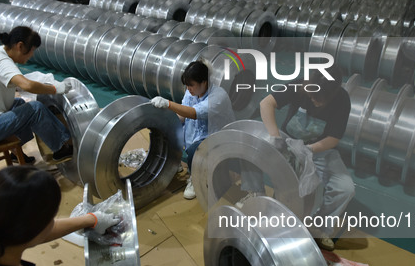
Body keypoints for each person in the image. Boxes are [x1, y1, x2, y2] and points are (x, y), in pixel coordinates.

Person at [241, 65, 355, 251]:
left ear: (333, 94)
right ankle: (256, 194)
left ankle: (318, 225)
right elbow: (266, 104)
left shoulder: (342, 100)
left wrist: (308, 150)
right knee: (249, 146)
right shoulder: (300, 85)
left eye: (319, 100)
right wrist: (275, 137)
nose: (314, 102)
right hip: (287, 142)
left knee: (345, 188)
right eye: (312, 97)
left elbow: (334, 138)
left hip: (318, 150)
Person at [0, 26, 74, 165]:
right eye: (32, 51)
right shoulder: (1, 61)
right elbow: (27, 85)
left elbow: (17, 83)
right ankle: (61, 148)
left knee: (19, 104)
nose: (31, 56)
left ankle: (16, 152)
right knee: (35, 109)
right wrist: (55, 88)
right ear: (20, 46)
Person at [150, 60, 235, 200]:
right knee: (169, 129)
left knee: (196, 149)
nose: (188, 89)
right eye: (187, 85)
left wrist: (168, 104)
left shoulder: (219, 96)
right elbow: (183, 115)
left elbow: (194, 113)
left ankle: (195, 179)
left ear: (204, 82)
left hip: (216, 138)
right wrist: (165, 125)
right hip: (195, 134)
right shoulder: (192, 92)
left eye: (191, 85)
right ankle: (172, 163)